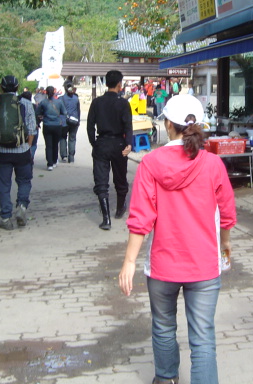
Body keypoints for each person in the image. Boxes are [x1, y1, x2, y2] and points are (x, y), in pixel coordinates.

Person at [119, 94, 236, 384]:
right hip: (204, 265)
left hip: (162, 266)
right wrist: (225, 244)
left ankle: (166, 378)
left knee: (163, 327)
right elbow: (227, 213)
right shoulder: (213, 164)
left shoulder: (150, 163)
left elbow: (141, 218)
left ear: (168, 125)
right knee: (203, 337)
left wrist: (129, 261)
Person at [0, 75, 37, 230]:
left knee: (3, 185)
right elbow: (32, 129)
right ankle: (22, 206)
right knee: (24, 181)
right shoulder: (26, 104)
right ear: (17, 87)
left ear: (1, 87)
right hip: (22, 151)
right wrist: (28, 146)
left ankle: (5, 218)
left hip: (2, 152)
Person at [87, 70, 133, 230]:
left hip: (102, 143)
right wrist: (129, 144)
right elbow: (128, 126)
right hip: (119, 144)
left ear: (106, 83)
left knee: (101, 181)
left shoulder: (96, 102)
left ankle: (106, 219)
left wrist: (94, 143)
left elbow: (90, 126)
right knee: (120, 178)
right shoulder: (123, 103)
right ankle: (120, 209)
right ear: (120, 84)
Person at [36, 86, 66, 171]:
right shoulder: (59, 102)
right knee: (55, 144)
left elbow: (37, 112)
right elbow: (64, 112)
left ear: (46, 92)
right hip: (57, 125)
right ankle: (54, 160)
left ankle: (49, 164)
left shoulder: (43, 102)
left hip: (47, 125)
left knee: (48, 145)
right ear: (54, 92)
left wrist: (43, 115)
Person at [59, 82, 81, 163]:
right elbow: (78, 111)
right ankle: (71, 157)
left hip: (64, 121)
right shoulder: (76, 98)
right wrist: (78, 120)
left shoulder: (61, 99)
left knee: (62, 138)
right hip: (74, 121)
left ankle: (64, 155)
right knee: (72, 139)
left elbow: (59, 111)